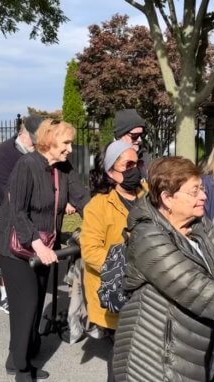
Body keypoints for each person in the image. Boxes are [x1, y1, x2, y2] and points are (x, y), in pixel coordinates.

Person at [111, 156, 214, 382]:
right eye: (194, 192)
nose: (203, 196)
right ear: (167, 198)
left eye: (202, 189)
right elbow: (197, 289)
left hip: (191, 351)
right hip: (154, 360)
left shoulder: (199, 225)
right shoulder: (147, 237)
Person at [0, 118, 90, 382]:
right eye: (66, 142)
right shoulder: (26, 165)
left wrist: (101, 221)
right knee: (27, 304)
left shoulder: (63, 168)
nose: (70, 148)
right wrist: (36, 243)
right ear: (48, 140)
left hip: (44, 246)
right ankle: (23, 370)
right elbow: (17, 211)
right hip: (17, 247)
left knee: (34, 306)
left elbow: (82, 199)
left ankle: (17, 357)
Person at [80, 141, 145, 379]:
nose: (134, 169)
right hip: (118, 287)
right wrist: (126, 266)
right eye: (127, 165)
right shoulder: (98, 206)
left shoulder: (148, 196)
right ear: (110, 173)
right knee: (121, 357)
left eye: (137, 163)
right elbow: (90, 251)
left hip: (147, 288)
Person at [0, 115, 42, 314]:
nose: (36, 142)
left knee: (21, 254)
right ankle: (5, 295)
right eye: (34, 138)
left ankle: (14, 288)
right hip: (7, 209)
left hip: (27, 212)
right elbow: (4, 186)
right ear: (23, 133)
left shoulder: (34, 152)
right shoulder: (6, 150)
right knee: (8, 252)